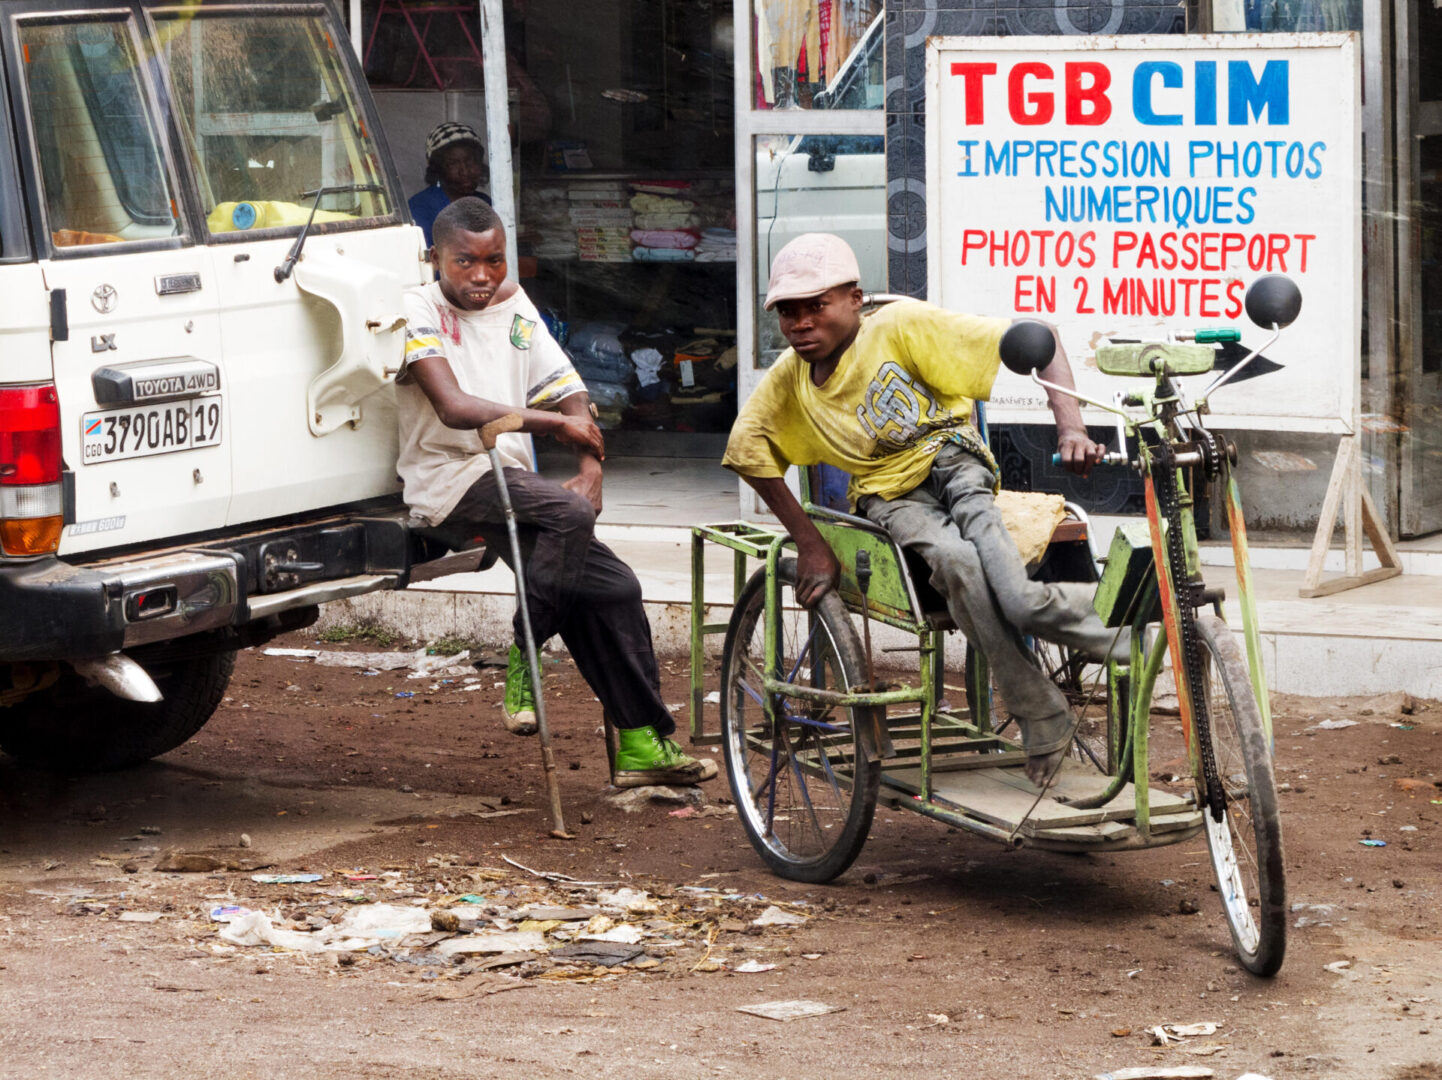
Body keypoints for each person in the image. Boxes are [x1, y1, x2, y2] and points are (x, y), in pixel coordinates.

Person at [722, 233, 1125, 788]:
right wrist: (810, 542)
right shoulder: (789, 378)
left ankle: (1144, 638)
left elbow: (1043, 337)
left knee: (1020, 599)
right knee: (958, 565)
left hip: (958, 465)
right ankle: (1045, 716)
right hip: (891, 498)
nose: (802, 324)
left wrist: (1072, 427)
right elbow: (748, 452)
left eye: (817, 306)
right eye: (788, 312)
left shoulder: (897, 324)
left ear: (854, 299)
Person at [395, 196, 716, 789]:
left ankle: (643, 744)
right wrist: (553, 426)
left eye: (494, 260)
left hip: (510, 478)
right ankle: (524, 654)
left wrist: (591, 464)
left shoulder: (514, 305)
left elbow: (570, 389)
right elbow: (454, 406)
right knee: (567, 513)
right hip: (449, 476)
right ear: (436, 256)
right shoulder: (418, 307)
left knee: (617, 587)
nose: (483, 276)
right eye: (466, 262)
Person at [408, 122, 492, 250]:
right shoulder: (420, 207)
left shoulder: (485, 202)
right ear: (437, 169)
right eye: (453, 164)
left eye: (471, 161)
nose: (465, 171)